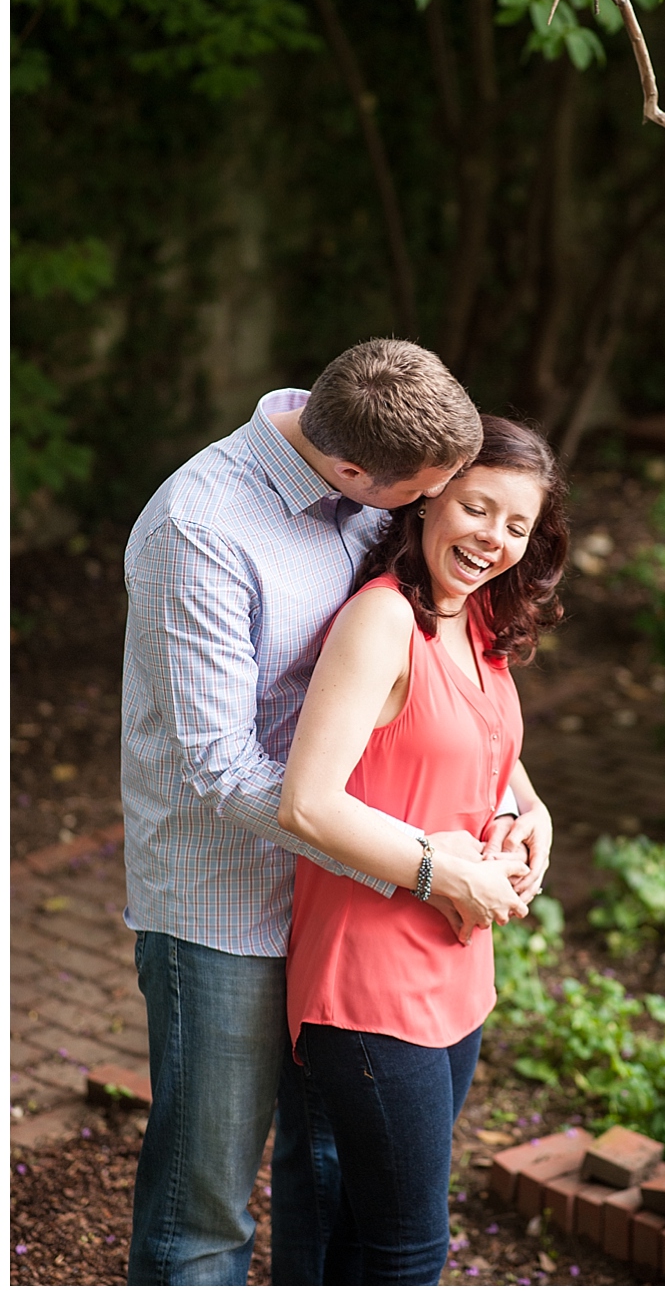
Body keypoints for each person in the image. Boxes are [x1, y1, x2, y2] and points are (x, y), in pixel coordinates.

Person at [121, 340, 554, 1285]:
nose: (440, 515)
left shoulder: (373, 463)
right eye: (429, 497)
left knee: (325, 1182)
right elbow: (220, 768)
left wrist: (518, 801)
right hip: (228, 906)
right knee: (205, 1208)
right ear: (357, 473)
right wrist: (421, 864)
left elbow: (437, 679)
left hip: (355, 908)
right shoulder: (198, 528)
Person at [278, 415, 568, 1285]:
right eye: (479, 509)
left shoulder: (474, 619)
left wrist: (533, 811)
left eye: (517, 526)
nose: (494, 540)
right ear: (432, 495)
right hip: (370, 986)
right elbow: (306, 802)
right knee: (409, 1249)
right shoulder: (381, 624)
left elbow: (487, 746)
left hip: (456, 976)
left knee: (368, 1235)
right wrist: (446, 870)